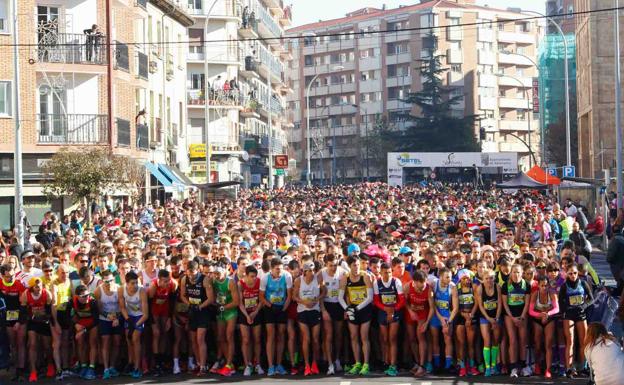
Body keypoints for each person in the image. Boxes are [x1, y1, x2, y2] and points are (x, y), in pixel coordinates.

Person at [339, 255, 374, 376]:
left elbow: (370, 297)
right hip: (352, 309)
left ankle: (366, 364)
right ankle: (357, 363)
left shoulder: (366, 276)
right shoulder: (345, 278)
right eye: (354, 265)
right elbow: (340, 297)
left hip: (364, 309)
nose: (357, 267)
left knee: (364, 337)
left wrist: (357, 309)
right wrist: (347, 309)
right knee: (354, 337)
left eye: (358, 265)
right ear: (349, 266)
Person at [559, 262, 594, 378]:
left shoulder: (583, 283)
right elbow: (560, 302)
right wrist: (566, 309)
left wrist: (584, 306)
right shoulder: (564, 286)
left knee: (583, 341)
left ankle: (582, 367)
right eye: (570, 273)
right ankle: (569, 368)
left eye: (575, 273)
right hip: (569, 315)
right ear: (567, 274)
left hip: (580, 314)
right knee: (571, 341)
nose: (573, 275)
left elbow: (591, 299)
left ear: (578, 273)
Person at [259, 257, 292, 376]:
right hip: (270, 308)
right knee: (271, 335)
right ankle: (271, 365)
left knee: (281, 335)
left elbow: (289, 295)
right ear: (271, 269)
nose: (280, 271)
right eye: (277, 269)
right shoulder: (265, 278)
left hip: (282, 307)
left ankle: (279, 364)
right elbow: (261, 296)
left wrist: (284, 308)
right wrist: (270, 305)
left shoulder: (287, 276)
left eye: (281, 269)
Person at [179, 260, 213, 376]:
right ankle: (198, 363)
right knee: (193, 340)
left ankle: (203, 366)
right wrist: (189, 305)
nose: (191, 275)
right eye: (189, 273)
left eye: (193, 273)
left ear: (198, 270)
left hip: (203, 311)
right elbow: (182, 295)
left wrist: (200, 306)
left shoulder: (205, 279)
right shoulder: (184, 279)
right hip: (192, 311)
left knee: (200, 339)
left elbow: (211, 298)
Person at [372, 262, 405, 377]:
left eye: (390, 272)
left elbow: (402, 300)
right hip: (383, 311)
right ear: (381, 273)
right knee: (384, 339)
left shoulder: (396, 282)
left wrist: (393, 310)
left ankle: (393, 364)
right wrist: (385, 309)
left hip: (395, 311)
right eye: (385, 273)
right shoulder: (377, 282)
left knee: (392, 339)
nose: (388, 275)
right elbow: (376, 300)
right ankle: (385, 361)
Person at [21, 277, 54, 382]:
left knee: (47, 346)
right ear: (31, 287)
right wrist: (26, 319)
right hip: (32, 322)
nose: (38, 288)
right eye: (36, 286)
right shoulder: (26, 294)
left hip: (44, 322)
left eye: (40, 286)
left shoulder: (47, 293)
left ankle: (50, 365)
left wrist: (49, 320)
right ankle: (33, 371)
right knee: (32, 344)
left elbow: (49, 310)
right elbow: (23, 310)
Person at [293, 261, 322, 376]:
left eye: (313, 270)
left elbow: (324, 291)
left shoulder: (318, 279)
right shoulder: (298, 280)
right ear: (304, 271)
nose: (312, 272)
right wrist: (304, 302)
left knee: (315, 339)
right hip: (303, 311)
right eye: (309, 270)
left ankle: (314, 363)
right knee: (306, 338)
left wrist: (316, 299)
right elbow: (294, 296)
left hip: (315, 311)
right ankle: (306, 364)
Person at [501, 263, 531, 378]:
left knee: (523, 341)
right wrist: (513, 318)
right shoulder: (505, 285)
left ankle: (523, 366)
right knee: (513, 340)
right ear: (511, 273)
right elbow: (505, 304)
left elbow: (527, 303)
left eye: (518, 272)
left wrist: (522, 317)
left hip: (522, 315)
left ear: (522, 273)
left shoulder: (526, 285)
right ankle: (513, 367)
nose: (516, 274)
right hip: (510, 316)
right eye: (514, 272)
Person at [319, 253, 346, 375]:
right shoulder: (321, 274)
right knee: (328, 335)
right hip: (327, 305)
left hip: (339, 305)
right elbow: (318, 294)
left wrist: (346, 308)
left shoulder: (342, 272)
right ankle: (329, 364)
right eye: (331, 265)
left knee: (338, 335)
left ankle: (337, 360)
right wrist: (323, 310)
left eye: (335, 265)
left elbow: (346, 292)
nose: (333, 268)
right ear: (326, 265)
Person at [403, 269, 434, 376]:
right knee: (412, 338)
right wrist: (410, 311)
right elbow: (405, 301)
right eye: (421, 282)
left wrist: (426, 322)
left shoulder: (428, 289)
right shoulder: (407, 287)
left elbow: (432, 308)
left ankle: (422, 365)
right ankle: (416, 362)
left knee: (420, 337)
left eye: (425, 281)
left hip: (422, 314)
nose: (423, 284)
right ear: (415, 281)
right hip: (411, 313)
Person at [147, 269, 177, 376]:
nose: (166, 283)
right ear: (159, 280)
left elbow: (173, 300)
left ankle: (162, 361)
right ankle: (156, 363)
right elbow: (149, 304)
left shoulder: (172, 284)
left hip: (165, 309)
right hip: (154, 310)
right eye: (164, 281)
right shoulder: (153, 286)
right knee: (156, 334)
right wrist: (153, 324)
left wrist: (169, 318)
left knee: (164, 333)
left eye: (168, 281)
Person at [211, 263, 239, 376]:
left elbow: (236, 302)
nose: (216, 276)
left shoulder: (230, 282)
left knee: (229, 336)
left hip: (230, 311)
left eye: (218, 273)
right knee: (220, 337)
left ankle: (228, 364)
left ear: (225, 271)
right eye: (215, 273)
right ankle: (229, 364)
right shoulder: (213, 281)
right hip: (220, 312)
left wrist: (223, 307)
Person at [528, 275, 559, 378]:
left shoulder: (552, 294)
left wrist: (547, 314)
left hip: (549, 319)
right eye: (542, 286)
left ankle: (548, 369)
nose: (544, 288)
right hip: (537, 320)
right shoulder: (535, 294)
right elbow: (530, 311)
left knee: (548, 343)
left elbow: (556, 309)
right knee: (537, 343)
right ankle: (537, 364)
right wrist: (540, 315)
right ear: (538, 286)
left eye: (546, 285)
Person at [119, 271, 149, 379]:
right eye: (132, 283)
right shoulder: (121, 289)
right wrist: (127, 319)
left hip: (139, 317)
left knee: (136, 339)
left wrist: (136, 324)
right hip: (129, 316)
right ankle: (131, 363)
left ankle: (137, 367)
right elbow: (122, 307)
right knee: (129, 340)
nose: (135, 285)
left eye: (136, 282)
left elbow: (146, 314)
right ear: (127, 283)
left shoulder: (141, 291)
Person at [93, 269, 121, 379]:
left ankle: (112, 366)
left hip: (117, 317)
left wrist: (117, 317)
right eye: (106, 281)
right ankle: (105, 368)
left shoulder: (118, 288)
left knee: (117, 342)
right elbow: (98, 309)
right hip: (104, 318)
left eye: (110, 280)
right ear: (102, 281)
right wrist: (107, 316)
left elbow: (122, 306)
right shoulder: (98, 291)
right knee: (105, 342)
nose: (109, 283)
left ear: (113, 279)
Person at [0, 263, 26, 381]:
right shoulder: (0, 285)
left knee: (20, 343)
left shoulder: (19, 284)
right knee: (13, 344)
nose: (11, 278)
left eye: (13, 275)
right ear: (2, 276)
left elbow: (23, 305)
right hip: (7, 318)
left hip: (20, 317)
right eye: (8, 276)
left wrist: (19, 321)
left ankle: (21, 370)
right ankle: (16, 369)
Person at [237, 265, 264, 376]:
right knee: (246, 340)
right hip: (244, 313)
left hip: (256, 312)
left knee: (257, 339)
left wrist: (255, 312)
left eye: (255, 276)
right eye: (251, 276)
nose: (254, 278)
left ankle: (257, 364)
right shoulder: (240, 284)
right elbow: (239, 302)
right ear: (246, 275)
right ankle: (247, 364)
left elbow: (262, 299)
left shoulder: (259, 282)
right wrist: (247, 315)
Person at [430, 267, 458, 373]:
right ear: (440, 277)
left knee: (448, 339)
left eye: (450, 277)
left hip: (448, 315)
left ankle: (447, 365)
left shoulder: (452, 287)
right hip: (436, 315)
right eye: (447, 277)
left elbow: (455, 308)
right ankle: (436, 365)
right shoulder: (434, 284)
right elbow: (433, 304)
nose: (449, 279)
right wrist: (440, 318)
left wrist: (448, 322)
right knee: (435, 339)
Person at [475, 268, 502, 377]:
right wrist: (488, 318)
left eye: (491, 278)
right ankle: (487, 367)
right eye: (486, 278)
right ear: (483, 279)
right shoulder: (479, 288)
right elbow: (480, 306)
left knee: (495, 341)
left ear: (494, 278)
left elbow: (500, 304)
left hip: (496, 316)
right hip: (484, 317)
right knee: (487, 341)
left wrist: (496, 318)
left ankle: (494, 365)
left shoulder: (497, 287)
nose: (489, 280)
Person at [455, 269, 479, 376]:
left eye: (468, 278)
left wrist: (470, 316)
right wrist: (464, 315)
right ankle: (462, 366)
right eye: (464, 278)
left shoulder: (473, 287)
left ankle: (472, 365)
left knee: (471, 344)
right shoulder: (456, 288)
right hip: (461, 316)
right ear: (460, 279)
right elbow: (455, 305)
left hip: (471, 316)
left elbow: (477, 303)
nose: (466, 281)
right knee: (461, 343)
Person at [72, 284, 98, 380]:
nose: (86, 297)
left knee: (93, 343)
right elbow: (69, 316)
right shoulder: (73, 301)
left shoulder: (92, 302)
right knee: (80, 343)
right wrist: (75, 325)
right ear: (77, 296)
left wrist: (84, 330)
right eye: (83, 296)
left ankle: (91, 367)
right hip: (81, 323)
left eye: (88, 295)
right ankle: (83, 365)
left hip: (92, 324)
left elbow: (96, 320)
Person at [606, 228, 624, 296]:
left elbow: (610, 256)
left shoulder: (615, 240)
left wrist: (609, 260)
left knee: (620, 281)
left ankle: (614, 292)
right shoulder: (621, 238)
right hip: (621, 265)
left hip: (617, 265)